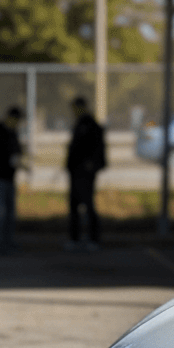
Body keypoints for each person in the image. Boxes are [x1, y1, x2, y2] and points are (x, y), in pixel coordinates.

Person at [65, 96, 107, 252]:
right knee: (74, 206)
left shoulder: (90, 125)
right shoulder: (79, 124)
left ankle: (93, 238)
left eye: (75, 108)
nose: (73, 112)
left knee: (88, 205)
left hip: (85, 173)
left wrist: (92, 165)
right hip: (76, 172)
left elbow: (95, 148)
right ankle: (75, 238)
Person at [0, 106, 24, 253]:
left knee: (10, 210)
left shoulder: (13, 133)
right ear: (10, 118)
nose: (17, 123)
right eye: (16, 120)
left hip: (9, 177)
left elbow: (17, 151)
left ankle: (7, 240)